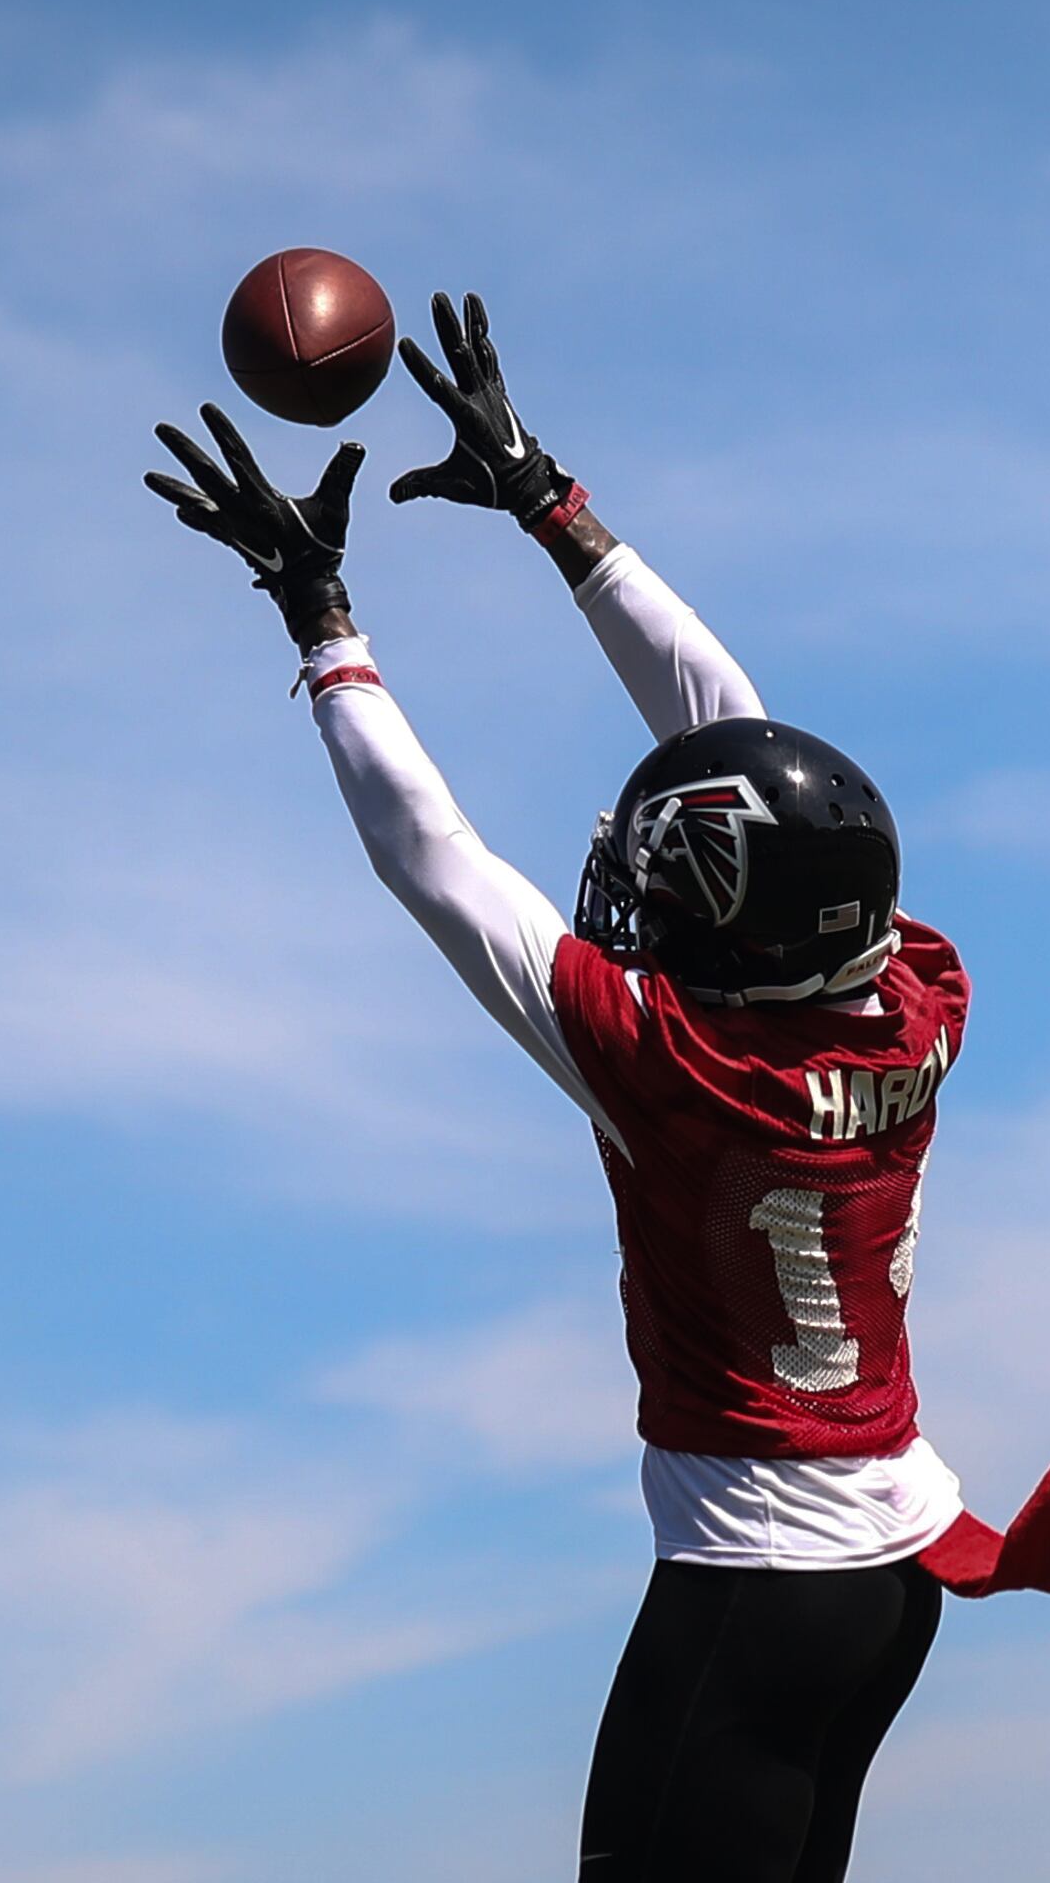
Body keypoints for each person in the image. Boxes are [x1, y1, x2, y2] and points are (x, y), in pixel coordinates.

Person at [143, 294, 975, 1883]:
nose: (636, 905)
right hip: (889, 1579)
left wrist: (322, 618)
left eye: (669, 894)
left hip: (756, 1581)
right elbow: (739, 728)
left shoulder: (676, 1069)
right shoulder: (913, 992)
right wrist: (548, 501)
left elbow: (434, 859)